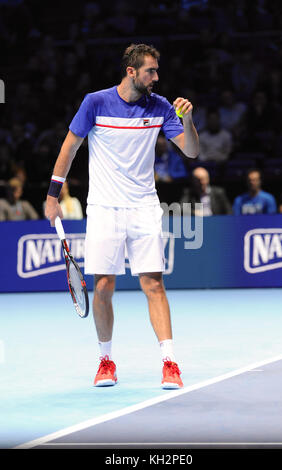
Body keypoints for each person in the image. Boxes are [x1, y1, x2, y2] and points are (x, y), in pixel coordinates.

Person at [45, 43, 199, 389]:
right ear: (132, 71)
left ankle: (170, 363)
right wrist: (52, 196)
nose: (156, 77)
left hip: (144, 206)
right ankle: (105, 360)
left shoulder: (160, 107)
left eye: (157, 71)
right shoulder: (95, 102)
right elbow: (69, 148)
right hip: (103, 207)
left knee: (153, 283)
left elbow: (191, 150)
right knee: (103, 285)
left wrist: (187, 120)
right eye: (150, 71)